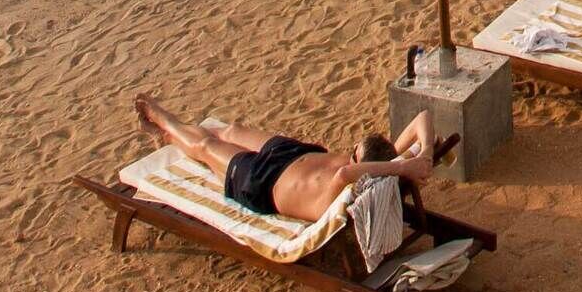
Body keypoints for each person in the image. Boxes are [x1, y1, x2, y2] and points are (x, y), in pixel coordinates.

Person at [133, 95, 438, 223]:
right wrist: (422, 154)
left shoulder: (359, 179)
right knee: (231, 130)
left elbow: (345, 173)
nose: (349, 151)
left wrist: (401, 167)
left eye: (353, 150)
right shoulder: (380, 166)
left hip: (264, 182)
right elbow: (423, 117)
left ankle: (167, 125)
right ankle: (175, 134)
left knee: (206, 146)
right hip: (293, 153)